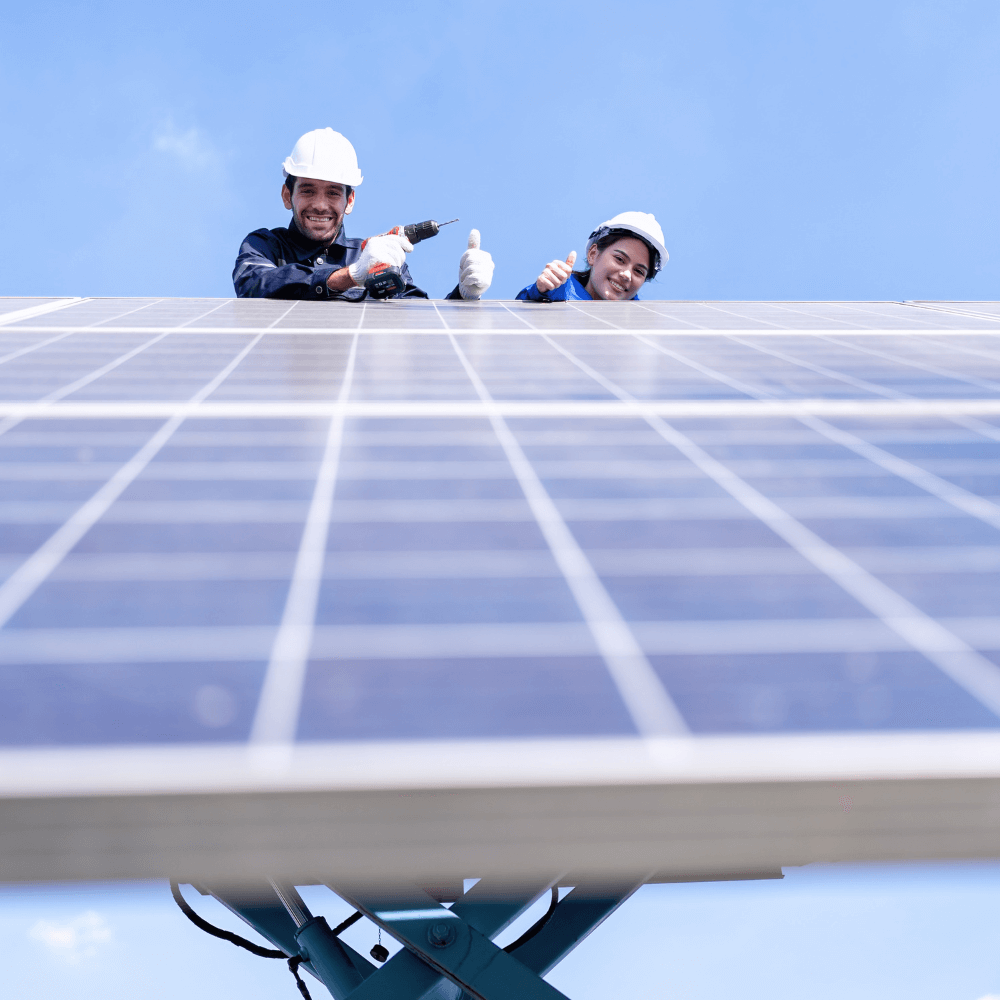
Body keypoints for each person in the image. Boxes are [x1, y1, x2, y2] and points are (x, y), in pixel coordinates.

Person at [233, 128, 494, 301]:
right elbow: (254, 283)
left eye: (333, 193)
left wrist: (464, 298)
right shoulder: (264, 246)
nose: (321, 205)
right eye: (308, 191)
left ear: (350, 201)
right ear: (287, 195)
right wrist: (352, 275)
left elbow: (419, 324)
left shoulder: (381, 256)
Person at [516, 212, 667, 302]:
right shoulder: (558, 292)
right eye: (620, 259)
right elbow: (520, 314)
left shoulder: (642, 322)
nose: (627, 275)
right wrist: (541, 289)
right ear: (593, 254)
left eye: (639, 271)